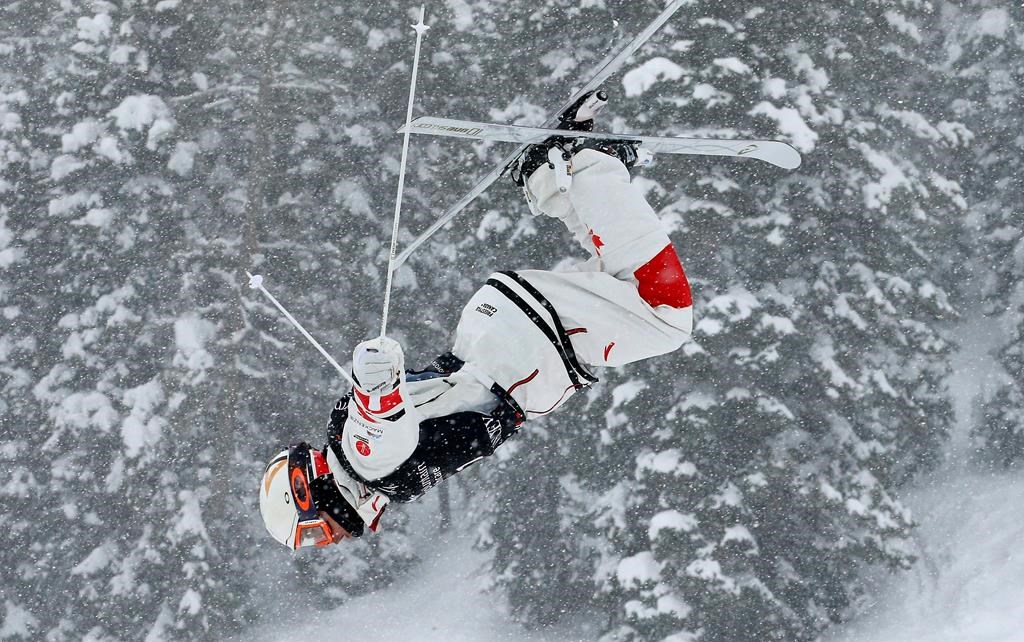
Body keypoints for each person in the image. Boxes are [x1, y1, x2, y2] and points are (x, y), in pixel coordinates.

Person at [258, 91, 694, 549]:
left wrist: (375, 391)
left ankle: (580, 164)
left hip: (523, 349)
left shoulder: (367, 463)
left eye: (319, 533)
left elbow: (379, 428)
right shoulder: (367, 462)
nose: (338, 537)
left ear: (310, 492)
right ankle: (552, 174)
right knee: (627, 280)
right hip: (506, 340)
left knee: (663, 317)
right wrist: (373, 398)